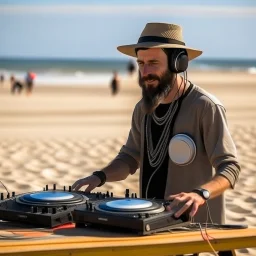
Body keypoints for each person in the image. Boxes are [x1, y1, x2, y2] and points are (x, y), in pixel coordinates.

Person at [72, 23, 240, 228]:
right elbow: (130, 158)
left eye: (153, 62)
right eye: (141, 63)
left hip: (195, 226)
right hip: (151, 220)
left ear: (178, 63)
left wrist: (200, 194)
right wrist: (99, 176)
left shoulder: (204, 106)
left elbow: (230, 167)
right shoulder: (141, 110)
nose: (145, 71)